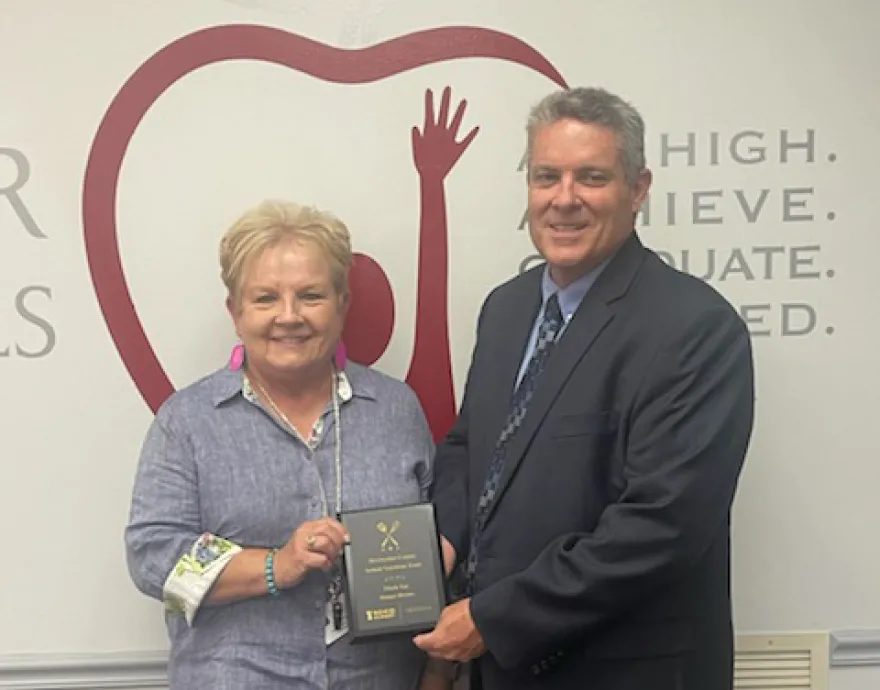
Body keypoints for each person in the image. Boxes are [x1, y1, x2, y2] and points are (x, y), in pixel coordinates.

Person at [414, 87, 756, 690]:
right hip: (498, 671)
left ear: (638, 189)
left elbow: (660, 526)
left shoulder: (695, 327)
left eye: (591, 177)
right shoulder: (507, 309)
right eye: (547, 176)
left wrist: (496, 618)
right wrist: (440, 539)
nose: (564, 199)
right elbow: (472, 448)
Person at [124, 200, 453, 689]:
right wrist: (280, 564)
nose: (289, 316)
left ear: (342, 305)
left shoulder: (395, 409)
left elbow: (441, 540)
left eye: (311, 295)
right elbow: (154, 559)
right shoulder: (188, 422)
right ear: (234, 312)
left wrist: (439, 667)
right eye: (265, 299)